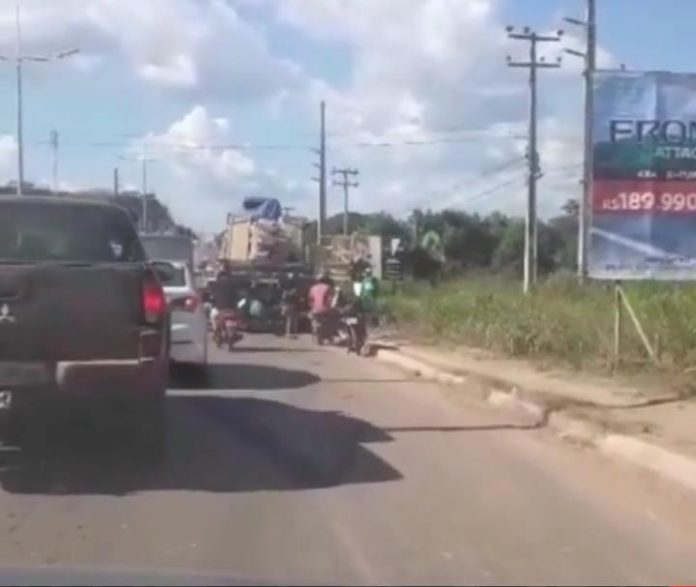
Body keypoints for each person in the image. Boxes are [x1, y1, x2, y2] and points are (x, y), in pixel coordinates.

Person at [308, 273, 334, 344]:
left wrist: (312, 308)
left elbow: (310, 300)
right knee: (329, 322)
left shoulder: (312, 288)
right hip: (325, 309)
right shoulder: (328, 287)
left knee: (315, 322)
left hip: (315, 310)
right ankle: (329, 337)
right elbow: (330, 300)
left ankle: (317, 336)